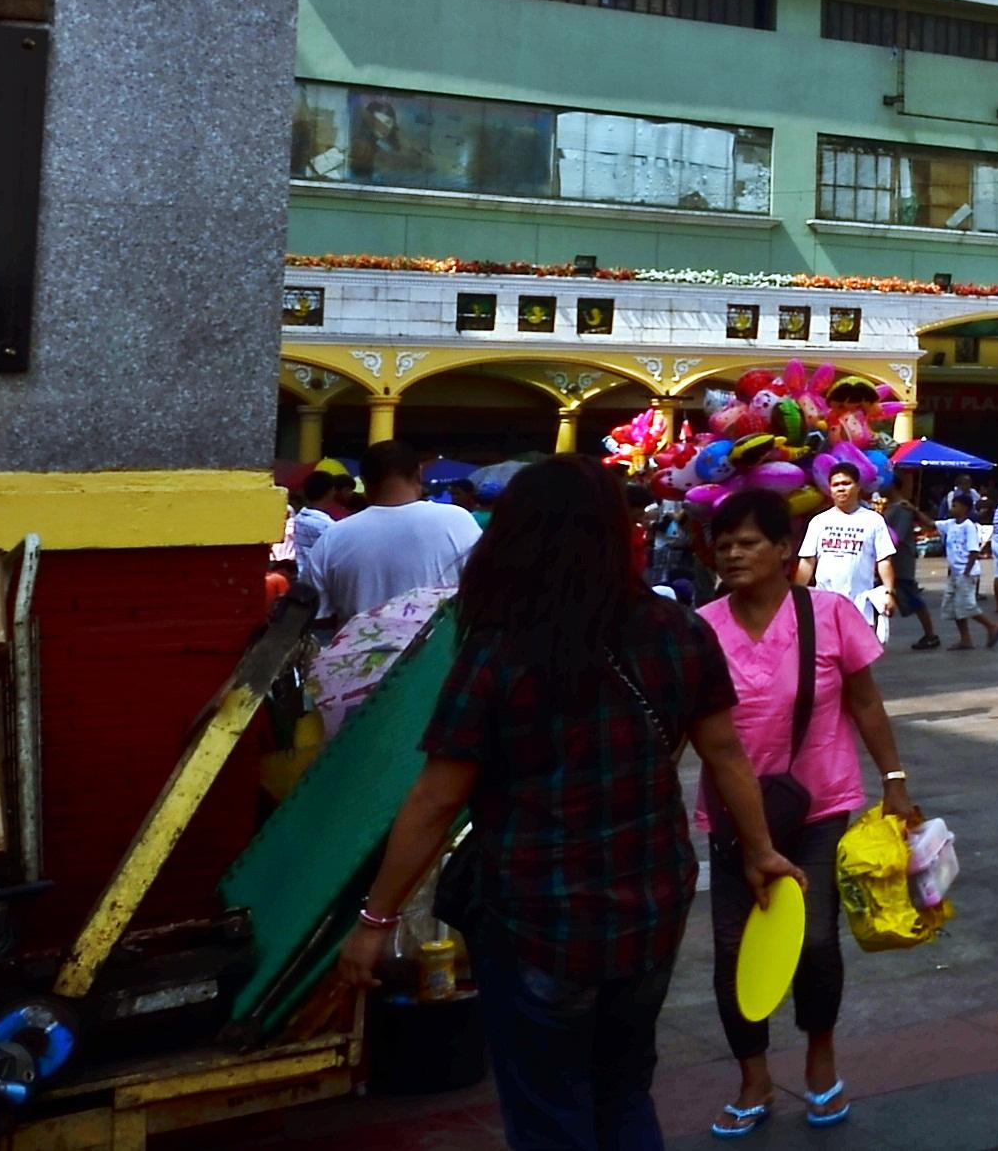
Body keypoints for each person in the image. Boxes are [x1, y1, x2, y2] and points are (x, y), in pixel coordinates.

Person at [336, 459, 796, 1151]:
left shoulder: (498, 650)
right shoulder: (677, 629)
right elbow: (726, 754)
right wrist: (759, 850)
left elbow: (437, 798)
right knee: (623, 1092)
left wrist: (376, 919)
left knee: (550, 1110)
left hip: (537, 917)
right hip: (649, 908)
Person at [693, 489, 922, 1137]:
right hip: (734, 814)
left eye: (748, 542)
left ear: (784, 549)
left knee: (816, 941)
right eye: (724, 543)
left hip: (821, 802)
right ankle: (753, 1075)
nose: (734, 553)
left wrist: (895, 781)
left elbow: (866, 703)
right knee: (734, 949)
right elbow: (685, 729)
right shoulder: (702, 626)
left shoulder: (828, 615)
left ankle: (820, 1061)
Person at [316, 441, 483, 627]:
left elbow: (318, 613)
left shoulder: (332, 537)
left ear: (363, 482)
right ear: (419, 473)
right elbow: (481, 593)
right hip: (434, 653)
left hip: (355, 653)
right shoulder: (458, 521)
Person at [797, 466, 896, 644]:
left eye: (846, 483)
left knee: (857, 664)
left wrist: (889, 592)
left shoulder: (873, 521)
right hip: (824, 607)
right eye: (836, 485)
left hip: (860, 606)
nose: (841, 488)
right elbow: (807, 562)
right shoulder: (819, 522)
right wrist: (795, 595)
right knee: (827, 660)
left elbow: (884, 560)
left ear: (858, 487)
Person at [937, 493, 998, 650]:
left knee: (966, 605)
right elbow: (932, 524)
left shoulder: (969, 526)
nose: (952, 509)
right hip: (955, 572)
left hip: (965, 572)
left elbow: (973, 551)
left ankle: (991, 626)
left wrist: (966, 571)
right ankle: (965, 638)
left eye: (955, 505)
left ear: (965, 508)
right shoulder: (950, 524)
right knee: (955, 606)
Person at [878, 484, 941, 652]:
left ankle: (930, 635)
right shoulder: (893, 506)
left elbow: (895, 537)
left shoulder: (901, 508)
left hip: (899, 563)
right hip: (893, 563)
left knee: (913, 598)